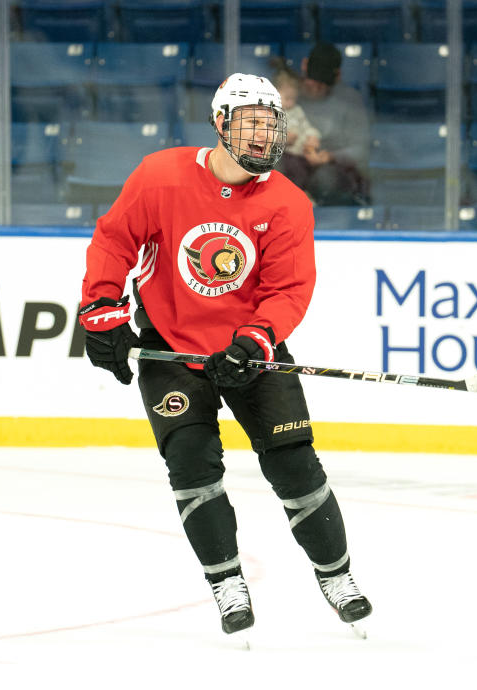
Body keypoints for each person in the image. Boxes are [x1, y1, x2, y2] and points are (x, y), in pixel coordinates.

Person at [76, 73, 373, 637]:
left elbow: (288, 290)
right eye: (251, 125)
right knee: (192, 468)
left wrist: (254, 340)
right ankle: (226, 583)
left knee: (294, 465)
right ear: (219, 124)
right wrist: (101, 311)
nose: (263, 139)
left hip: (250, 352)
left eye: (272, 126)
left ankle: (337, 577)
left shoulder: (288, 203)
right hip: (171, 348)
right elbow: (115, 239)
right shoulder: (159, 176)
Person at [289, 42, 372, 206]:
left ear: (337, 76)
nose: (315, 88)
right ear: (304, 65)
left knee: (326, 179)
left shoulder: (349, 99)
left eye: (322, 84)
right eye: (312, 81)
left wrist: (330, 157)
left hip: (333, 170)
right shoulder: (289, 95)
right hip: (293, 160)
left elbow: (361, 150)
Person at [272, 66, 326, 194]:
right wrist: (283, 138)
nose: (291, 103)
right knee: (294, 171)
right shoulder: (271, 113)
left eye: (293, 99)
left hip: (301, 152)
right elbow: (267, 137)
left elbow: (306, 126)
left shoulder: (297, 110)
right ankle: (293, 195)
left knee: (315, 170)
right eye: (287, 99)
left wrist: (313, 136)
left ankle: (304, 194)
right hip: (283, 155)